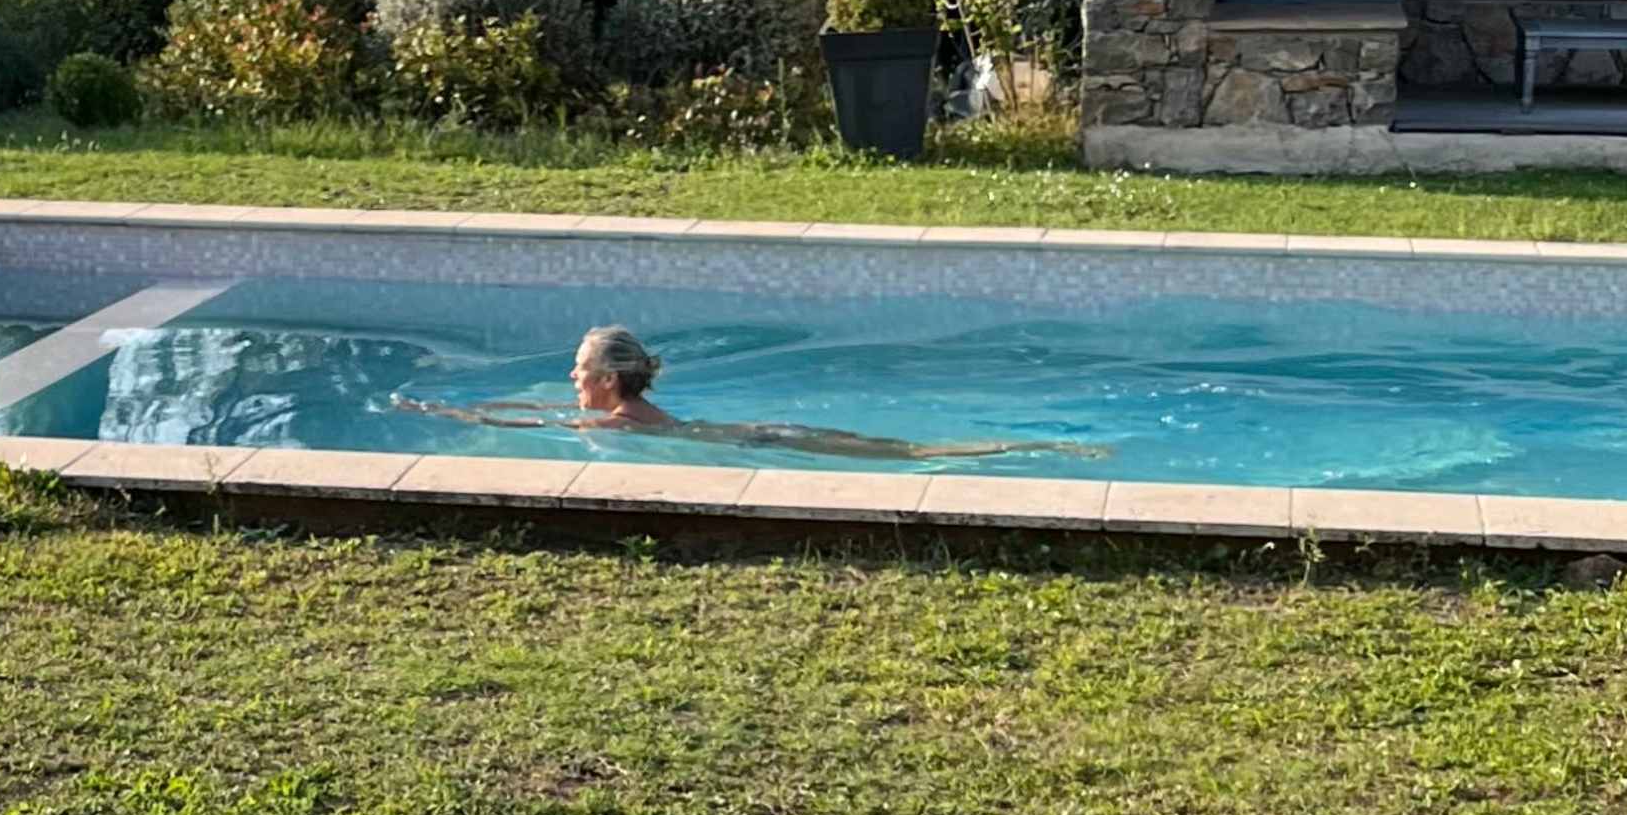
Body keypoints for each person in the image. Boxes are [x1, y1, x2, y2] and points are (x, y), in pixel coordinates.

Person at [392, 321, 1102, 468]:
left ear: (608, 381)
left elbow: (541, 423)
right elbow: (540, 414)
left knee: (912, 453)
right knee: (904, 450)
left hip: (761, 440)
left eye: (580, 369)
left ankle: (1037, 445)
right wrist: (460, 410)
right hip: (754, 431)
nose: (571, 379)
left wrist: (460, 417)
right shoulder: (616, 414)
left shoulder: (614, 428)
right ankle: (1038, 443)